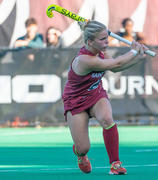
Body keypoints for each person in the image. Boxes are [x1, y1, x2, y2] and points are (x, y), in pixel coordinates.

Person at [62, 20, 147, 175]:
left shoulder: (99, 53)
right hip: (75, 100)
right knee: (83, 147)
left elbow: (117, 68)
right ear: (90, 42)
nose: (107, 41)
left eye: (106, 37)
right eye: (102, 39)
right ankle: (80, 154)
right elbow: (114, 63)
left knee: (107, 119)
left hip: (96, 94)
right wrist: (133, 51)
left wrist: (139, 57)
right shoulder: (84, 60)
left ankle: (115, 164)